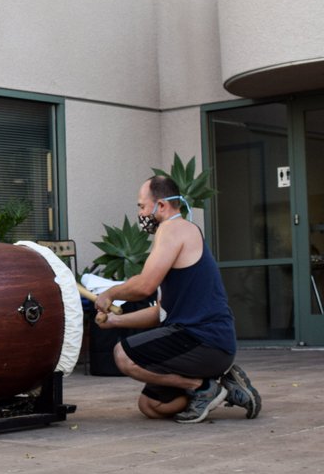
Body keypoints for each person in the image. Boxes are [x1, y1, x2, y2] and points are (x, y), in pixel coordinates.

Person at [94, 175, 261, 423]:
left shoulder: (173, 229)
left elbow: (144, 285)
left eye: (141, 206)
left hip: (204, 339)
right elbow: (160, 313)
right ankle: (225, 386)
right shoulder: (175, 237)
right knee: (152, 406)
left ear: (161, 205)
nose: (140, 212)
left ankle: (202, 387)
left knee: (123, 355)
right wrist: (115, 322)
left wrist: (110, 293)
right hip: (198, 342)